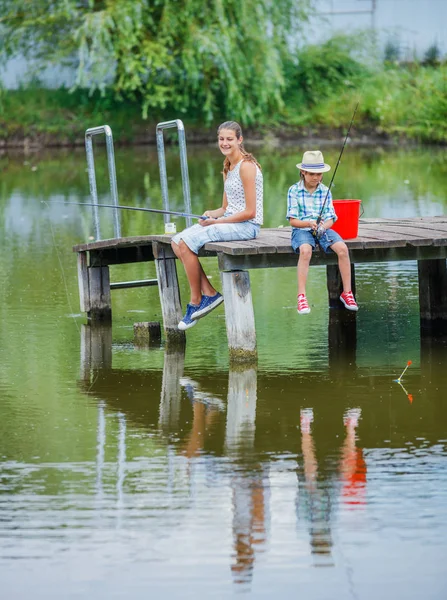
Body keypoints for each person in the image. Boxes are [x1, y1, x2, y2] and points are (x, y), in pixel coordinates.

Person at [171, 121, 263, 330]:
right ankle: (210, 294)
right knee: (176, 242)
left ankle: (196, 301)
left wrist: (218, 221)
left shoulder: (247, 167)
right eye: (221, 139)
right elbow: (225, 207)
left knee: (186, 243)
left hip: (247, 226)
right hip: (229, 221)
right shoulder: (228, 166)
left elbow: (250, 212)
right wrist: (210, 215)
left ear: (240, 140)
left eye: (229, 139)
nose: (225, 143)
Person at [287, 150, 358, 314]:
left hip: (323, 229)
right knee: (305, 251)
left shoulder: (325, 190)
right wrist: (308, 223)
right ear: (303, 172)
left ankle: (347, 293)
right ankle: (302, 297)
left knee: (343, 249)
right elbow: (292, 220)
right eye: (312, 174)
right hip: (302, 229)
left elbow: (331, 218)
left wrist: (323, 227)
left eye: (319, 174)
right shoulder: (294, 191)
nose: (316, 178)